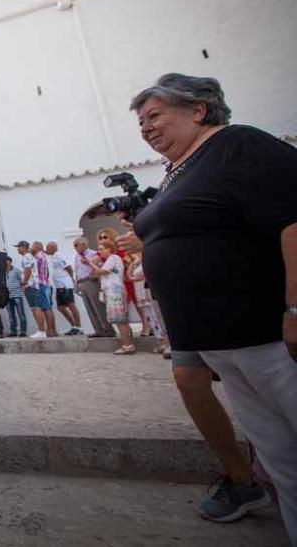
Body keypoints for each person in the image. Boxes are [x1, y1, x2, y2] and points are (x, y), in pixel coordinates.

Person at [123, 73, 295, 534]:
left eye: (154, 116)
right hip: (221, 344)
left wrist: (296, 309)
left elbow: (292, 219)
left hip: (265, 334)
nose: (146, 128)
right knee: (281, 459)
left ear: (198, 109)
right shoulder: (180, 171)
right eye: (142, 122)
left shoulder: (238, 145)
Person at [91, 239, 134, 354]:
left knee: (120, 319)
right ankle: (126, 344)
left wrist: (90, 263)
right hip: (113, 291)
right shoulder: (112, 259)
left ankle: (127, 344)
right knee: (119, 319)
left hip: (115, 291)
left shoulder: (113, 258)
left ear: (109, 249)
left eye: (101, 249)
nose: (99, 252)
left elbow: (103, 271)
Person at [73, 237, 113, 338]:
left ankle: (108, 329)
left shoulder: (94, 254)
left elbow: (102, 267)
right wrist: (76, 284)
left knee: (98, 306)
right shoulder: (77, 257)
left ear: (83, 244)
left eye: (76, 245)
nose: (75, 248)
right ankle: (98, 329)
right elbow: (77, 271)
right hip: (82, 282)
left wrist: (94, 274)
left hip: (91, 282)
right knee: (89, 307)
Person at [128, 252, 167, 354]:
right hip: (140, 293)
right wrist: (133, 264)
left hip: (148, 292)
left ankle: (166, 343)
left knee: (157, 317)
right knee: (150, 318)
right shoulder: (137, 265)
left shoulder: (147, 262)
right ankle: (159, 342)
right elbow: (129, 276)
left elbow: (142, 277)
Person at [45, 241, 81, 335]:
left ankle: (79, 327)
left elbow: (69, 268)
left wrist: (72, 280)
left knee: (71, 305)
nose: (46, 249)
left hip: (65, 285)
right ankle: (74, 326)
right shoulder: (53, 257)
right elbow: (45, 252)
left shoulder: (59, 256)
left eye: (48, 248)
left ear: (53, 248)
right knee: (61, 307)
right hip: (59, 286)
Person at [15, 241, 47, 339]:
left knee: (36, 308)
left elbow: (27, 270)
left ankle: (42, 331)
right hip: (32, 285)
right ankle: (40, 330)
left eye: (19, 247)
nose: (18, 249)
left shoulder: (27, 257)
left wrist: (24, 282)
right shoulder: (28, 257)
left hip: (31, 285)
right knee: (34, 308)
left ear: (24, 247)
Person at [30, 242, 57, 336]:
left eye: (32, 246)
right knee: (47, 307)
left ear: (36, 247)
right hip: (45, 283)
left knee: (45, 308)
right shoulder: (43, 256)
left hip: (41, 284)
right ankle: (52, 330)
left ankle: (50, 330)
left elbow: (32, 268)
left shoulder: (38, 257)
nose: (31, 248)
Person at [4, 257, 27, 337]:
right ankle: (13, 331)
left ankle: (23, 331)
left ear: (10, 262)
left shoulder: (16, 270)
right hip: (7, 296)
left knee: (21, 314)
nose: (6, 263)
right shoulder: (2, 272)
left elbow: (21, 281)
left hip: (17, 295)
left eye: (7, 261)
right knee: (11, 315)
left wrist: (22, 291)